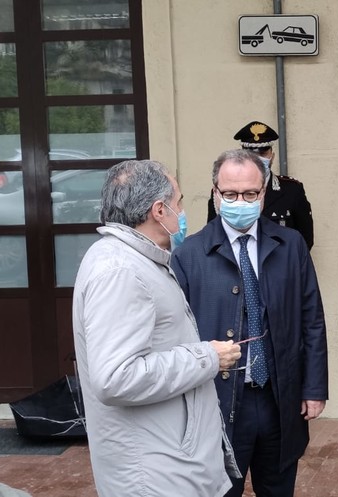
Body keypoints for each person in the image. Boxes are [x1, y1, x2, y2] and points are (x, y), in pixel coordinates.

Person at [72, 159, 242, 497]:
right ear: (159, 210)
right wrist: (207, 358)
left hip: (167, 460)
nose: (182, 212)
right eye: (179, 202)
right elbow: (115, 378)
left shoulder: (137, 260)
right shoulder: (120, 270)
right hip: (153, 474)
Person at [173, 148, 329, 497]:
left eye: (249, 194)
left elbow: (312, 320)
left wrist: (314, 388)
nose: (239, 202)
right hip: (217, 402)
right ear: (215, 193)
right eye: (230, 194)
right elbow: (177, 335)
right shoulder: (189, 255)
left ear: (263, 194)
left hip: (279, 399)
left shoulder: (291, 245)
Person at [206, 120, 315, 250]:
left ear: (272, 156)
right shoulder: (224, 192)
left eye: (263, 153)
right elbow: (213, 235)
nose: (257, 159)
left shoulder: (292, 190)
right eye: (251, 154)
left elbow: (304, 242)